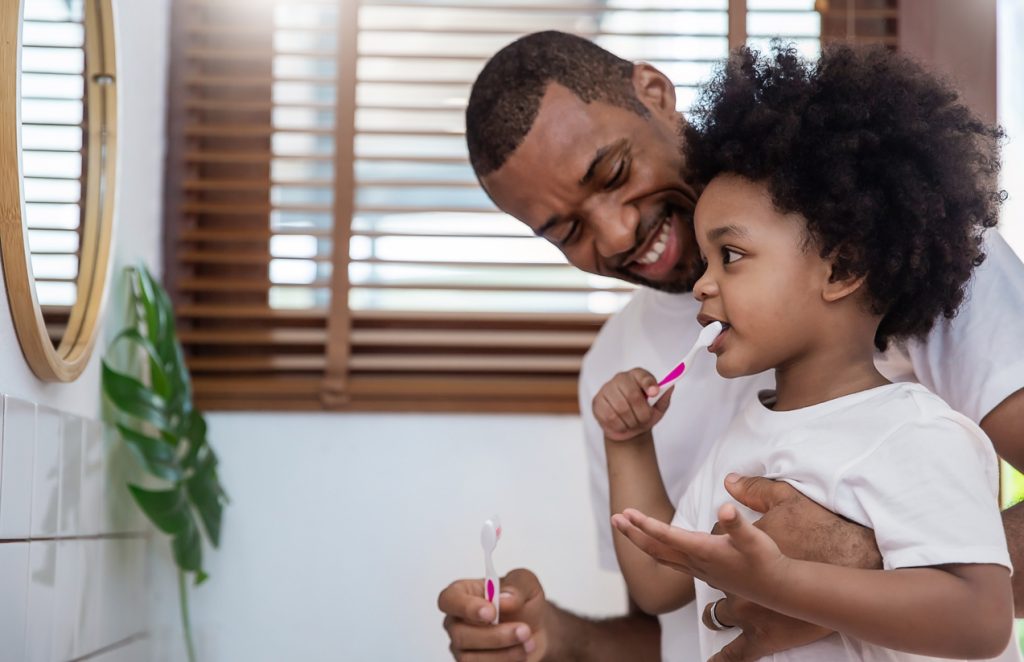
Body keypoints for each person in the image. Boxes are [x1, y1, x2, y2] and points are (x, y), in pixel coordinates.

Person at [437, 30, 1024, 662]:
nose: (614, 233)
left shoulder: (902, 254)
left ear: (656, 94)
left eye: (612, 172)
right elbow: (674, 605)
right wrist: (550, 638)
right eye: (567, 231)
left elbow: (975, 612)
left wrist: (846, 565)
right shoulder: (631, 378)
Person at [597, 43, 1013, 660]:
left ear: (841, 267)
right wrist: (627, 442)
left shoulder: (919, 436)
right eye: (705, 262)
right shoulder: (739, 443)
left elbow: (980, 621)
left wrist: (787, 583)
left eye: (730, 257)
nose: (701, 285)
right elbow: (658, 581)